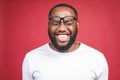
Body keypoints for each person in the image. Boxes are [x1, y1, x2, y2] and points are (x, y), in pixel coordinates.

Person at [22, 3, 109, 80]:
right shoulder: (31, 58)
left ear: (77, 25)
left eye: (68, 22)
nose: (62, 28)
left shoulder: (97, 59)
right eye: (55, 22)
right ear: (49, 25)